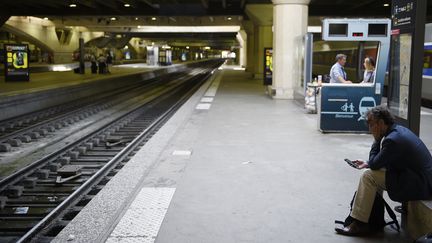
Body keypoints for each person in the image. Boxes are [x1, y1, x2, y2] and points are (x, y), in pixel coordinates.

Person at [335, 105, 432, 236]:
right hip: (419, 178)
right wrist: (368, 163)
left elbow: (375, 164)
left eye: (371, 125)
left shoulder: (393, 140)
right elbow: (380, 161)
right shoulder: (397, 131)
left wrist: (376, 140)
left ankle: (359, 223)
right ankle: (373, 219)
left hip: (419, 184)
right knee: (373, 173)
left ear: (381, 123)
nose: (370, 129)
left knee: (368, 176)